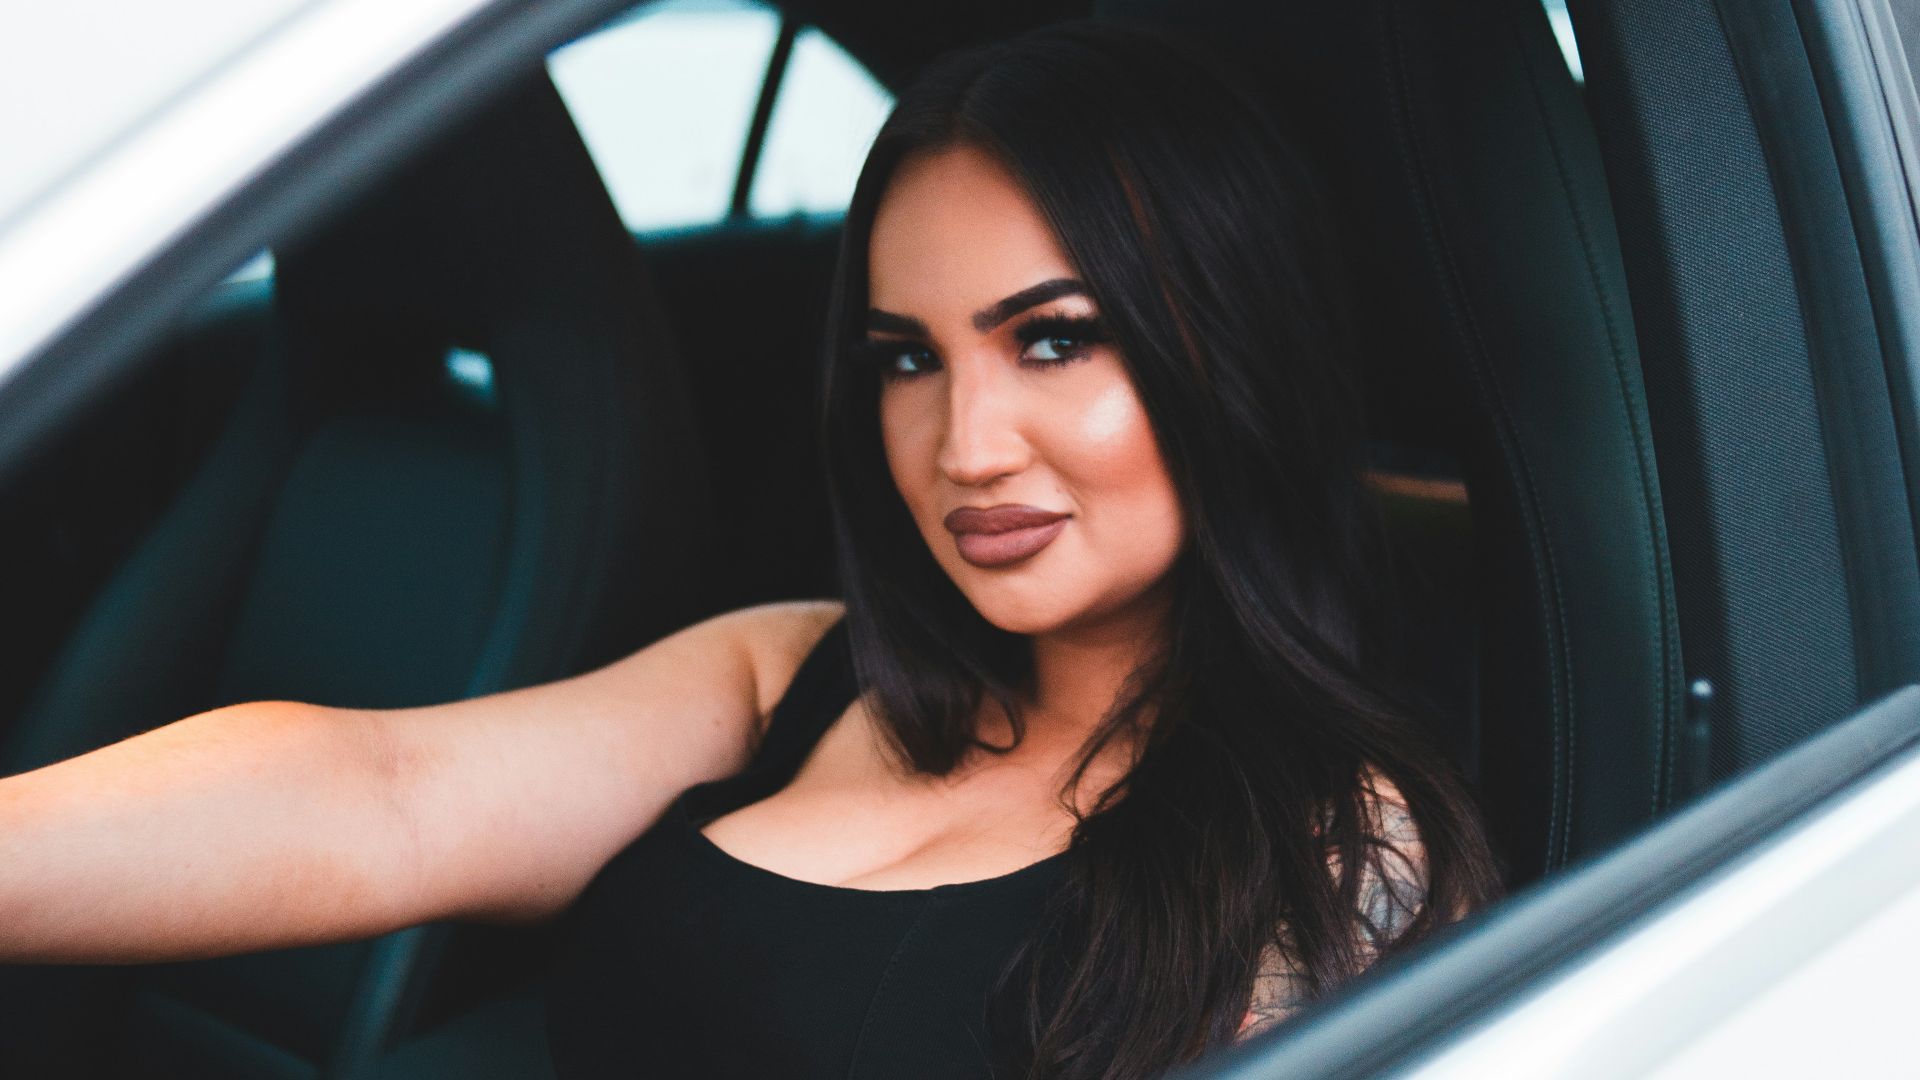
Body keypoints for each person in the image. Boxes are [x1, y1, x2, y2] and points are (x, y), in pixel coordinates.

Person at [0, 16, 1501, 1080]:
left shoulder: (1333, 851)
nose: (964, 444)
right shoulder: (794, 667)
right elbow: (390, 793)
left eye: (1052, 341)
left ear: (1227, 353)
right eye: (906, 358)